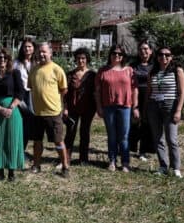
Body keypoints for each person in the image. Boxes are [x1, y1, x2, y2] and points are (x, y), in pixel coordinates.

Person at [95, 44, 138, 172]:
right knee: (112, 135)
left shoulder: (129, 70)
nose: (117, 55)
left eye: (120, 54)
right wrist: (99, 107)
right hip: (108, 107)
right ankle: (112, 161)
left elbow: (135, 90)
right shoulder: (102, 71)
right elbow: (97, 91)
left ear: (123, 56)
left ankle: (125, 162)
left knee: (124, 136)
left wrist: (135, 106)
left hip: (125, 107)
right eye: (114, 53)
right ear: (110, 55)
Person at [29, 42, 70, 177]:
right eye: (39, 52)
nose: (41, 54)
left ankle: (65, 166)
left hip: (53, 113)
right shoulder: (34, 70)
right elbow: (32, 88)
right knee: (37, 141)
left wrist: (57, 104)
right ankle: (36, 165)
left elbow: (64, 90)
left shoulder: (57, 69)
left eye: (44, 52)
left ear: (50, 53)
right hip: (37, 113)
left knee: (58, 141)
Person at [147, 46, 184, 178]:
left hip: (170, 106)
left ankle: (175, 168)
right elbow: (149, 92)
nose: (164, 57)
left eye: (167, 55)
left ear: (171, 57)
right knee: (158, 138)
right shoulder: (153, 71)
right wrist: (145, 108)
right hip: (154, 106)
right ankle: (163, 166)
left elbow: (182, 93)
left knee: (171, 139)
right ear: (157, 57)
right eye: (161, 54)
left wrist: (178, 111)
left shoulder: (177, 70)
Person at [0, 49, 24, 181]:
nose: (2, 59)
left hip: (12, 112)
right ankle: (0, 173)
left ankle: (11, 173)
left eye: (4, 57)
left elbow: (20, 92)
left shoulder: (14, 73)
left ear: (8, 59)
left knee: (11, 140)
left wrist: (11, 107)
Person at [63, 48, 95, 165]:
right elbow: (65, 94)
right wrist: (65, 108)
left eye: (83, 58)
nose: (81, 61)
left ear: (87, 59)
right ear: (75, 59)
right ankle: (66, 158)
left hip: (88, 108)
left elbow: (95, 92)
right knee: (70, 132)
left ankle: (83, 159)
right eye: (78, 58)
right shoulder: (70, 75)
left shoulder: (92, 75)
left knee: (85, 133)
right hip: (72, 108)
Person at [130, 41, 155, 161]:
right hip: (135, 96)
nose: (143, 51)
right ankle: (130, 148)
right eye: (140, 49)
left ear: (151, 51)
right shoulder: (133, 66)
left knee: (147, 124)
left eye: (145, 49)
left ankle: (143, 151)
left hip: (150, 97)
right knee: (134, 123)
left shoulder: (155, 66)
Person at [13, 38, 36, 150]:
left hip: (33, 94)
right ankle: (17, 148)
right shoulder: (16, 63)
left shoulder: (37, 62)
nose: (27, 49)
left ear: (34, 48)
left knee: (30, 122)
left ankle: (23, 149)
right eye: (25, 46)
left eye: (29, 46)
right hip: (20, 95)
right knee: (19, 122)